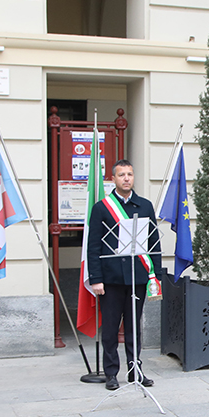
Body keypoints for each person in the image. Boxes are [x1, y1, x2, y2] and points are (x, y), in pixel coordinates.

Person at [87, 159, 162, 390]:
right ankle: (111, 373)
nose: (127, 178)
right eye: (121, 175)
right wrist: (96, 279)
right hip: (111, 280)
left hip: (137, 277)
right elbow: (93, 247)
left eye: (130, 174)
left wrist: (155, 276)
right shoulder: (102, 207)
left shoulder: (145, 206)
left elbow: (154, 243)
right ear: (113, 179)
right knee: (110, 328)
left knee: (134, 327)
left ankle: (135, 370)